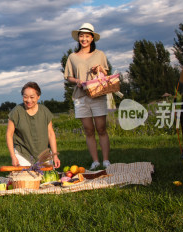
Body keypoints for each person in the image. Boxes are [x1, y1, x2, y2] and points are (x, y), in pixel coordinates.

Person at [63, 23, 112, 170]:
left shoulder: (100, 54)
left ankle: (106, 160)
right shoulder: (72, 57)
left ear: (92, 38)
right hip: (81, 97)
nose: (84, 39)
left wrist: (99, 69)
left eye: (87, 36)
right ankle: (95, 161)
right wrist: (77, 80)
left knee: (101, 128)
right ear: (78, 38)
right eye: (81, 36)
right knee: (88, 129)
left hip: (97, 95)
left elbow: (106, 74)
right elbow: (68, 76)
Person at [6, 82, 61, 169]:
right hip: (23, 154)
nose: (28, 100)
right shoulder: (16, 112)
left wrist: (54, 155)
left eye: (32, 97)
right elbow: (9, 135)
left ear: (38, 96)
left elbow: (51, 134)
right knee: (25, 180)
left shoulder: (44, 111)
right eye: (25, 96)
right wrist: (13, 156)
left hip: (44, 154)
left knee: (47, 181)